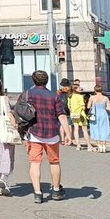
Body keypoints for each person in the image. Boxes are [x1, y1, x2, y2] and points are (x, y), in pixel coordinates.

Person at [22, 70, 71, 204]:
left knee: (35, 163)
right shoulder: (54, 96)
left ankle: (37, 193)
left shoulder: (27, 94)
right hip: (52, 134)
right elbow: (61, 115)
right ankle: (56, 190)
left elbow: (20, 112)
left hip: (33, 133)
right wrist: (68, 134)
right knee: (54, 162)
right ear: (47, 81)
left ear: (33, 80)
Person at [68, 82, 93, 151]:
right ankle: (89, 146)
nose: (80, 89)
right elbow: (83, 107)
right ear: (75, 89)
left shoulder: (70, 97)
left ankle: (78, 146)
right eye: (79, 88)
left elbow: (69, 107)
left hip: (74, 115)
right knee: (85, 130)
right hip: (81, 115)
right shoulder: (80, 96)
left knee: (76, 129)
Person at [88, 85, 110, 153]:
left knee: (95, 129)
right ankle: (104, 145)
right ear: (102, 90)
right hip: (103, 114)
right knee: (104, 129)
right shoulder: (105, 98)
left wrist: (93, 106)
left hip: (94, 115)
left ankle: (99, 145)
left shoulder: (92, 97)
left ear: (95, 90)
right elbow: (109, 108)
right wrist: (103, 107)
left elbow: (88, 106)